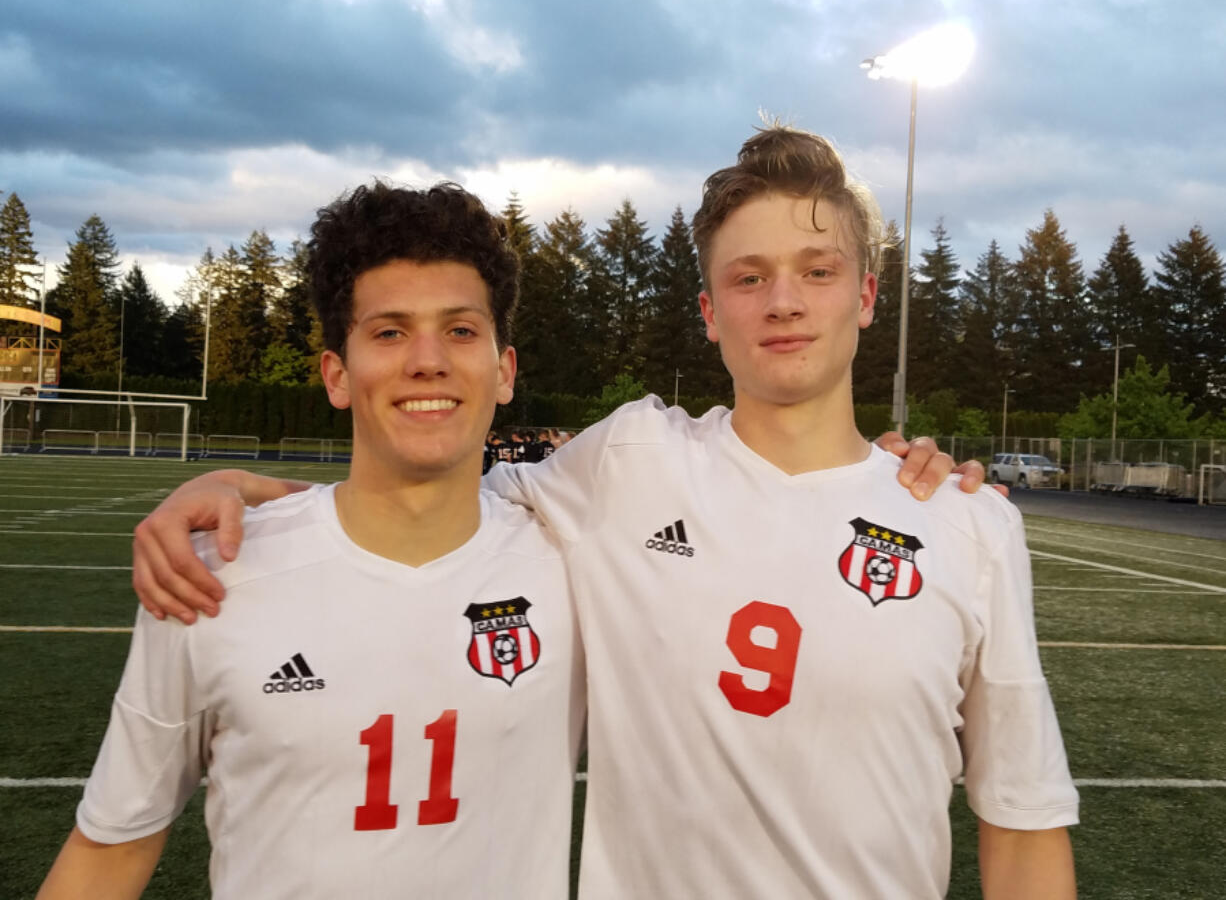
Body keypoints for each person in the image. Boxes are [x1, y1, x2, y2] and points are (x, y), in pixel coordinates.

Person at [127, 129, 1040, 898]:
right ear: (709, 312)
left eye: (819, 270)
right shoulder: (627, 460)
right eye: (749, 277)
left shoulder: (967, 523)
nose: (785, 301)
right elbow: (417, 500)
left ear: (869, 295)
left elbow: (1024, 820)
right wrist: (235, 489)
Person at [37, 183, 584, 899]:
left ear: (504, 369)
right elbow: (110, 851)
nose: (428, 360)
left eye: (460, 330)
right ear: (336, 374)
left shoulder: (576, 558)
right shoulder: (208, 576)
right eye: (389, 332)